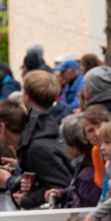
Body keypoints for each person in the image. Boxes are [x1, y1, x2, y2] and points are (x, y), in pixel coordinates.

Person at [10, 71, 73, 209]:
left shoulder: (39, 141)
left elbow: (59, 185)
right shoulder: (51, 124)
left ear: (27, 97)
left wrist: (27, 200)